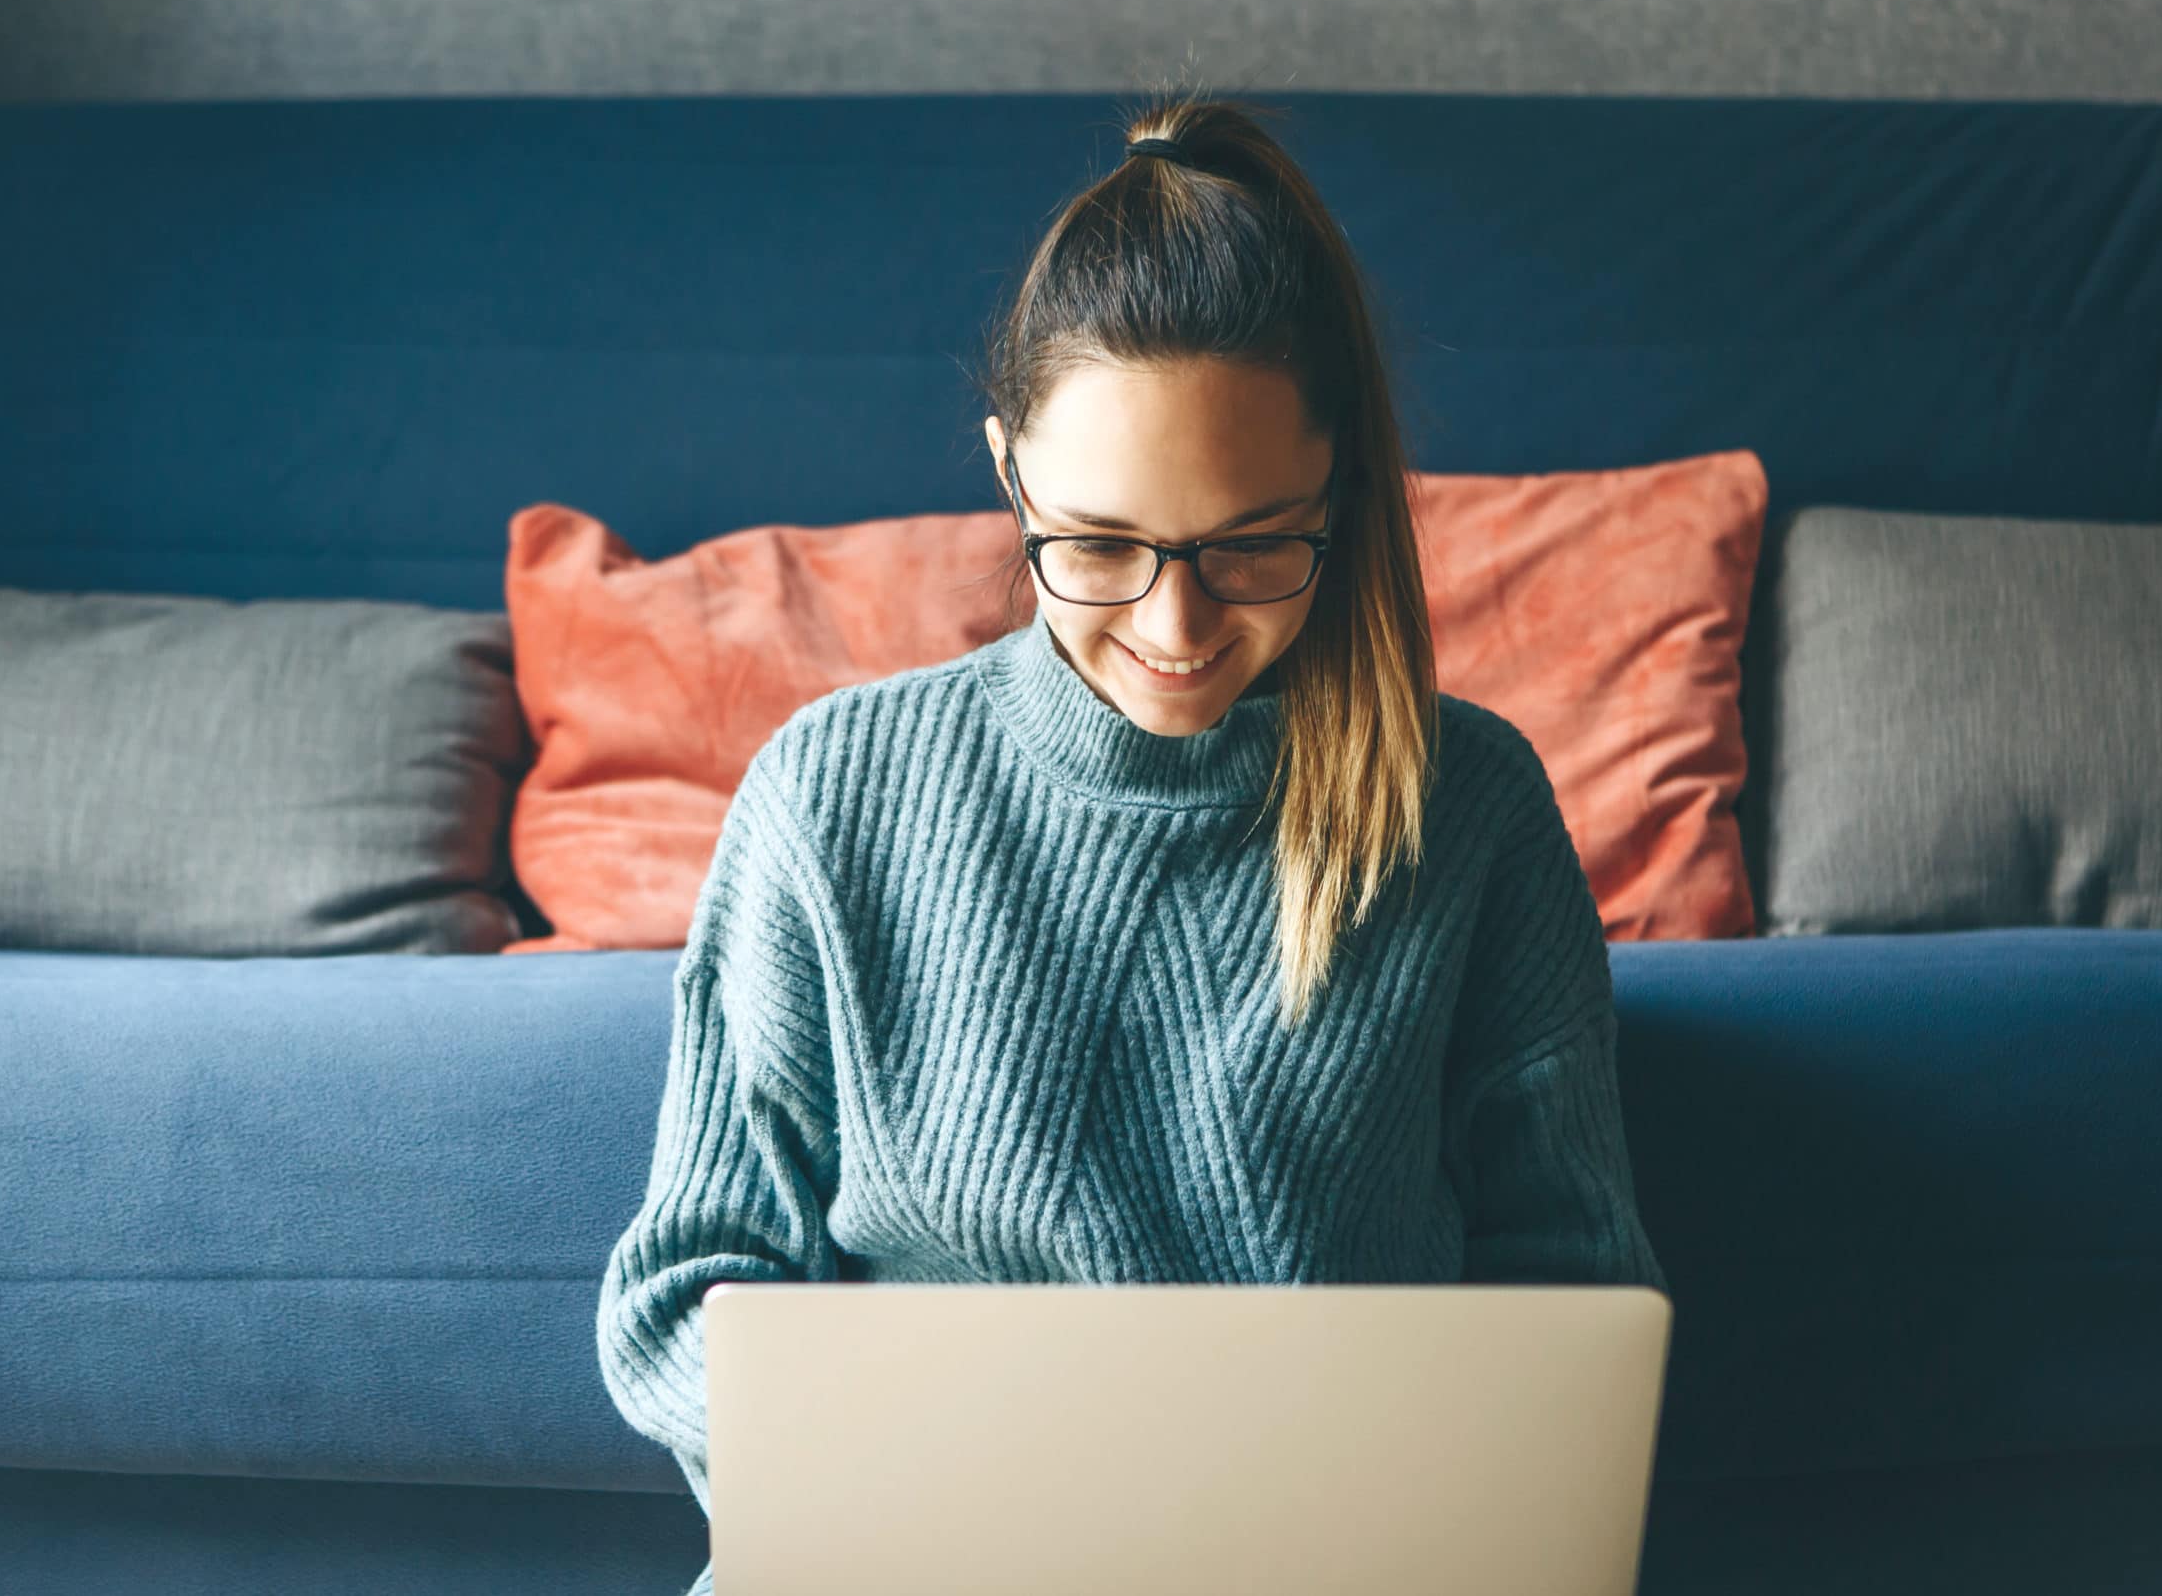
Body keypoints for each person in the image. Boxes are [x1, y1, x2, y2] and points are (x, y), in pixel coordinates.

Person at [594, 83, 1669, 1596]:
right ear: (1008, 475)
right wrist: (904, 1503)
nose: (1174, 627)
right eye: (1097, 546)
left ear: (1342, 497)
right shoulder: (828, 797)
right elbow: (683, 1295)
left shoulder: (1467, 809)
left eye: (1249, 547)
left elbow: (1574, 1300)